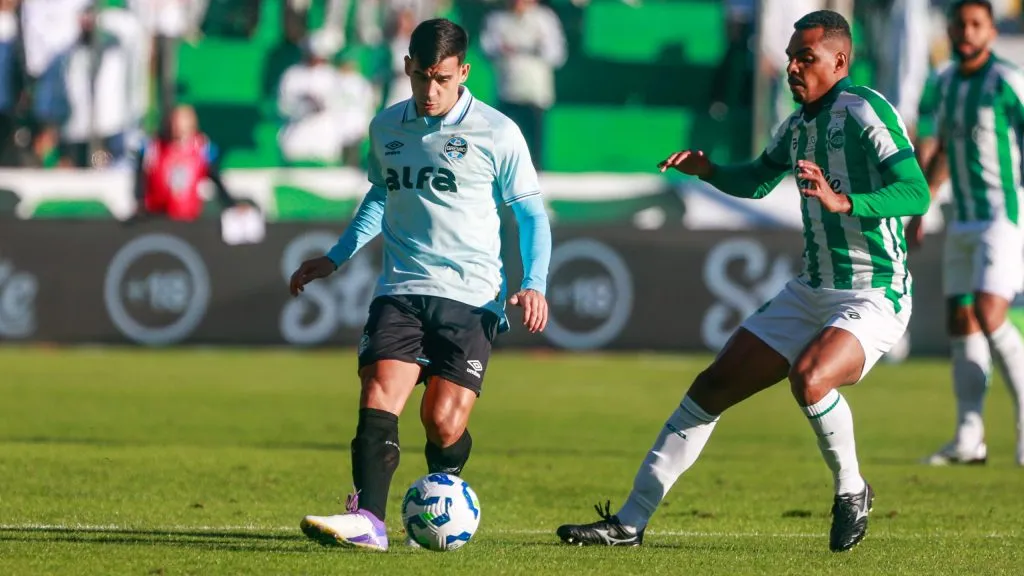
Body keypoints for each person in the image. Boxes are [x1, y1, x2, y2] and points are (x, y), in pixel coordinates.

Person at [556, 10, 929, 553]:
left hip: (875, 291)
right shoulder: (799, 125)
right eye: (790, 59)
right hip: (811, 289)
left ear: (840, 61)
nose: (793, 68)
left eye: (807, 58)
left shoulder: (865, 110)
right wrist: (709, 171)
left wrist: (845, 200)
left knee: (811, 378)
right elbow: (757, 180)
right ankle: (630, 523)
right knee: (712, 388)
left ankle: (853, 489)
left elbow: (915, 191)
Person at [289, 18, 552, 551]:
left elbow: (531, 216)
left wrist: (535, 282)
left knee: (442, 424)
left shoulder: (498, 132)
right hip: (402, 287)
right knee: (379, 393)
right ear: (406, 67)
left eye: (443, 79)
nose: (430, 91)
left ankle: (447, 491)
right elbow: (381, 196)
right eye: (421, 77)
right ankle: (369, 519)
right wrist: (336, 257)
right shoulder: (387, 127)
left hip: (472, 296)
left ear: (463, 73)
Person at [908, 0, 1024, 467]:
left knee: (989, 309)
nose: (967, 33)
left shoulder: (1008, 81)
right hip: (960, 218)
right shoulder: (943, 82)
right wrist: (923, 205)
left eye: (976, 25)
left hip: (1002, 215)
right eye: (960, 25)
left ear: (991, 31)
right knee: (961, 321)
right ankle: (969, 438)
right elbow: (937, 151)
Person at [132, 104, 240, 222]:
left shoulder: (202, 148)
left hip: (187, 219)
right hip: (156, 217)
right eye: (174, 120)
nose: (177, 126)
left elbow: (217, 179)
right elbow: (140, 175)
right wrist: (139, 201)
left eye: (182, 120)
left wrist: (231, 205)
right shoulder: (153, 147)